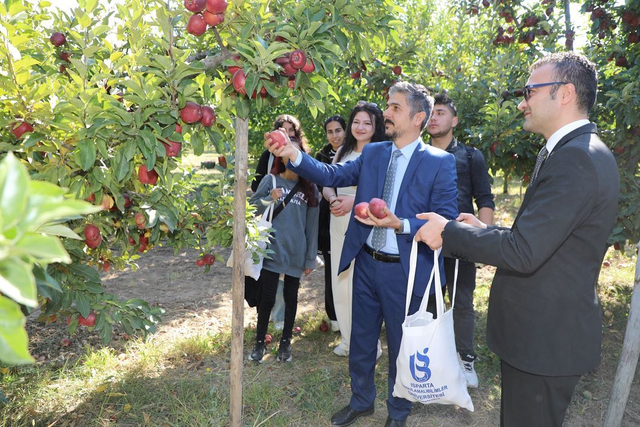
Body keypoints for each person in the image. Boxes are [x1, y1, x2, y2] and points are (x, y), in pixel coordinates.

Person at [414, 52, 620, 427]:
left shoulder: (576, 159)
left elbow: (524, 252)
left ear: (565, 93)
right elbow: (543, 239)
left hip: (544, 344)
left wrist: (448, 232)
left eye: (530, 90)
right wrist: (484, 230)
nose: (522, 102)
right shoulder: (578, 152)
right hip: (542, 339)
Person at [265, 82, 458, 427]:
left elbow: (446, 220)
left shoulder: (440, 163)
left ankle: (398, 413)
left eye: (395, 108)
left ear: (417, 118)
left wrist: (401, 224)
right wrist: (292, 154)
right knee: (362, 340)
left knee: (402, 347)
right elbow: (331, 173)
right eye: (389, 105)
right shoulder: (374, 153)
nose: (387, 112)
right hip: (367, 262)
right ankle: (361, 401)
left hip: (406, 270)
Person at [426, 93, 495, 388]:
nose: (433, 117)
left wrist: (482, 238)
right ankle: (429, 357)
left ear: (454, 121)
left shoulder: (470, 156)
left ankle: (464, 358)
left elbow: (485, 199)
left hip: (459, 239)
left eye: (440, 112)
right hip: (424, 239)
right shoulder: (417, 154)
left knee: (462, 301)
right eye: (430, 112)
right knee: (427, 301)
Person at [247, 137, 320, 363]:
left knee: (291, 296)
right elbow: (252, 208)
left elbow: (312, 227)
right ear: (280, 157)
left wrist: (310, 259)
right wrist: (270, 198)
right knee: (267, 297)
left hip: (296, 252)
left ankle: (285, 343)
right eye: (286, 155)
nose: (291, 159)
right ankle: (260, 342)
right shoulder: (271, 181)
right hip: (272, 250)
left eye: (295, 155)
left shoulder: (310, 188)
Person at [323, 103, 386, 357]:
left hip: (363, 220)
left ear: (376, 127)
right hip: (338, 220)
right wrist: (332, 199)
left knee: (362, 284)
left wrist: (353, 200)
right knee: (340, 280)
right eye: (356, 122)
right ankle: (348, 339)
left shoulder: (380, 153)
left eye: (367, 123)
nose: (360, 127)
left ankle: (369, 343)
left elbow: (382, 191)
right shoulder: (342, 150)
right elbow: (328, 181)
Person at [315, 115, 347, 333]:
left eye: (338, 130)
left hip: (353, 214)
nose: (334, 135)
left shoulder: (355, 152)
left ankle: (352, 314)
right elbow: (321, 185)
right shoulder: (321, 156)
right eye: (330, 131)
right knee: (331, 269)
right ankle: (334, 315)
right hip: (329, 216)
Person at [251, 114, 308, 192]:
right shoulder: (268, 155)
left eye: (291, 130)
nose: (287, 134)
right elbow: (255, 185)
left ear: (296, 133)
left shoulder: (301, 154)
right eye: (284, 130)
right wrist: (271, 191)